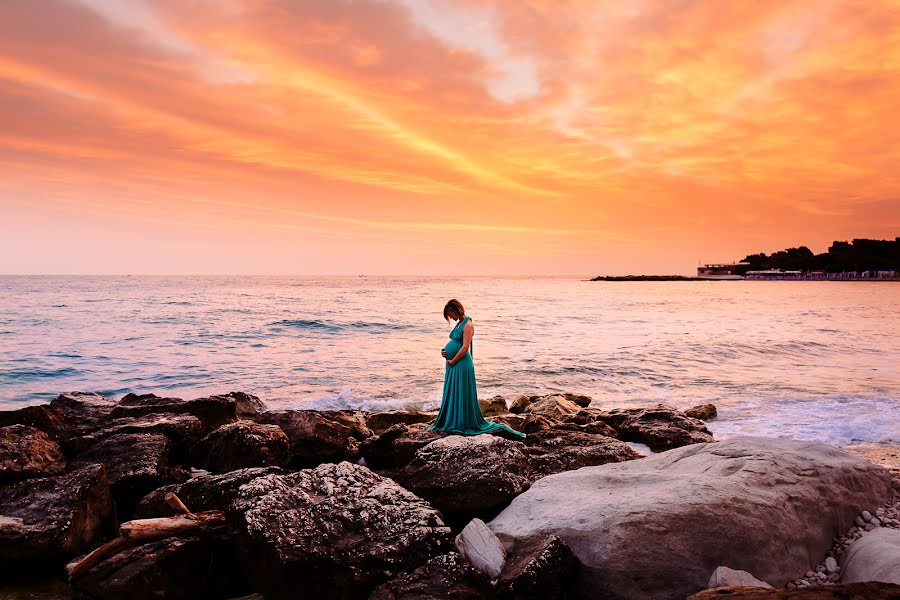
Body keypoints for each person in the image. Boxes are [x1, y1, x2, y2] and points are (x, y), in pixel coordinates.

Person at [427, 299, 526, 439]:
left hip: (460, 364)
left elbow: (465, 347)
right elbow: (455, 342)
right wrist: (444, 352)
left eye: (450, 314)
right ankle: (452, 418)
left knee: (460, 392)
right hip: (453, 363)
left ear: (456, 309)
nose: (450, 318)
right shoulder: (460, 323)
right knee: (453, 392)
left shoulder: (468, 325)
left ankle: (460, 422)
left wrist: (453, 361)